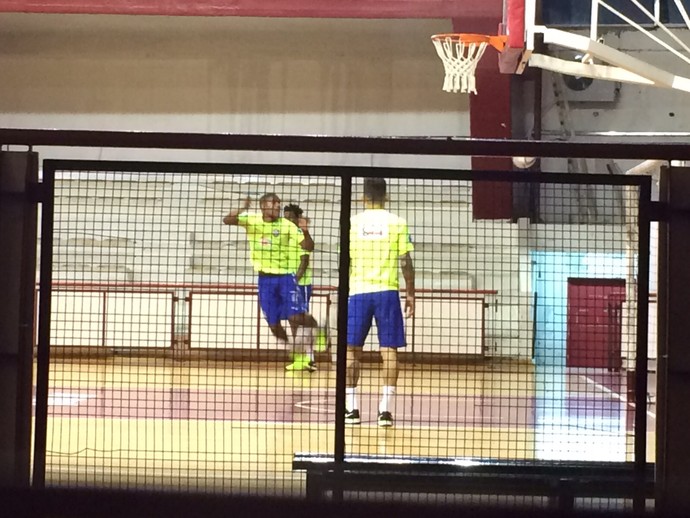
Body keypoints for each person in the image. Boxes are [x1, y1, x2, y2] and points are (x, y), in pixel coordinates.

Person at [345, 178, 415, 427]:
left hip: (358, 292)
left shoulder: (352, 222)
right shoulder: (396, 222)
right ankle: (385, 411)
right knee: (389, 351)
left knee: (352, 350)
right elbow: (405, 260)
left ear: (363, 198)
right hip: (387, 291)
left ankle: (351, 409)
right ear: (386, 196)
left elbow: (346, 260)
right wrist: (410, 292)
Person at [223, 193, 317, 372]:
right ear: (262, 206)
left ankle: (316, 331)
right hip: (265, 280)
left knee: (296, 317)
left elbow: (308, 246)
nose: (276, 206)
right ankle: (294, 350)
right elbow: (227, 220)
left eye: (278, 203)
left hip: (285, 278)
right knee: (274, 326)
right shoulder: (251, 220)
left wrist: (305, 231)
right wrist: (243, 208)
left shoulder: (287, 225)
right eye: (273, 203)